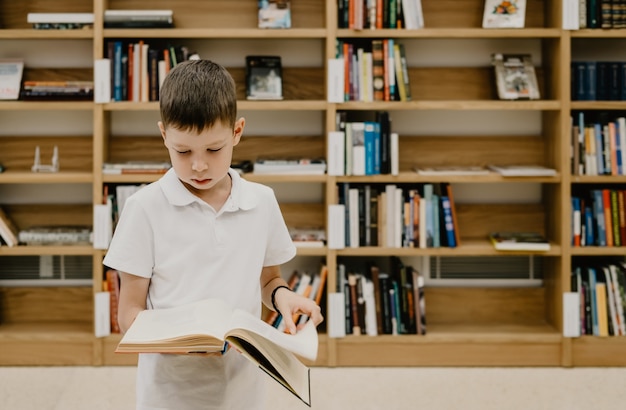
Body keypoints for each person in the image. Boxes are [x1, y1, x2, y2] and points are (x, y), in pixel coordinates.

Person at [103, 59, 323, 410]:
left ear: (237, 132)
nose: (199, 165)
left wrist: (284, 299)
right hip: (169, 388)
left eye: (214, 149)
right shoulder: (144, 208)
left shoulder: (261, 202)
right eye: (183, 151)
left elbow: (268, 282)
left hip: (241, 381)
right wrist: (183, 341)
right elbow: (129, 313)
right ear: (164, 135)